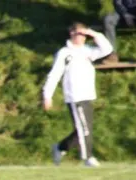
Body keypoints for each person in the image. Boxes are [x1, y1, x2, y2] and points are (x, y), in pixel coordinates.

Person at [43, 23, 113, 168]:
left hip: (87, 94)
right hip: (74, 96)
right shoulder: (64, 53)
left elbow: (107, 49)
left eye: (84, 35)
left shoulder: (88, 50)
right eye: (79, 34)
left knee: (84, 129)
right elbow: (55, 74)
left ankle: (60, 147)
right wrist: (47, 95)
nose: (82, 37)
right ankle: (88, 157)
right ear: (72, 34)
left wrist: (92, 33)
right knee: (84, 129)